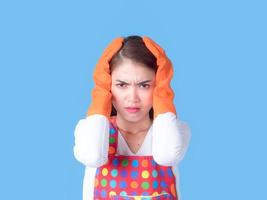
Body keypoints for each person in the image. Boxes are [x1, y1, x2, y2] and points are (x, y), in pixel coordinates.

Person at [73, 35, 191, 200]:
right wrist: (100, 96)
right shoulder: (91, 131)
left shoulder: (173, 131)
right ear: (108, 86)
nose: (132, 97)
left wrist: (164, 95)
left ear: (158, 86)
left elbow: (168, 155)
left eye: (144, 85)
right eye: (122, 85)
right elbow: (92, 156)